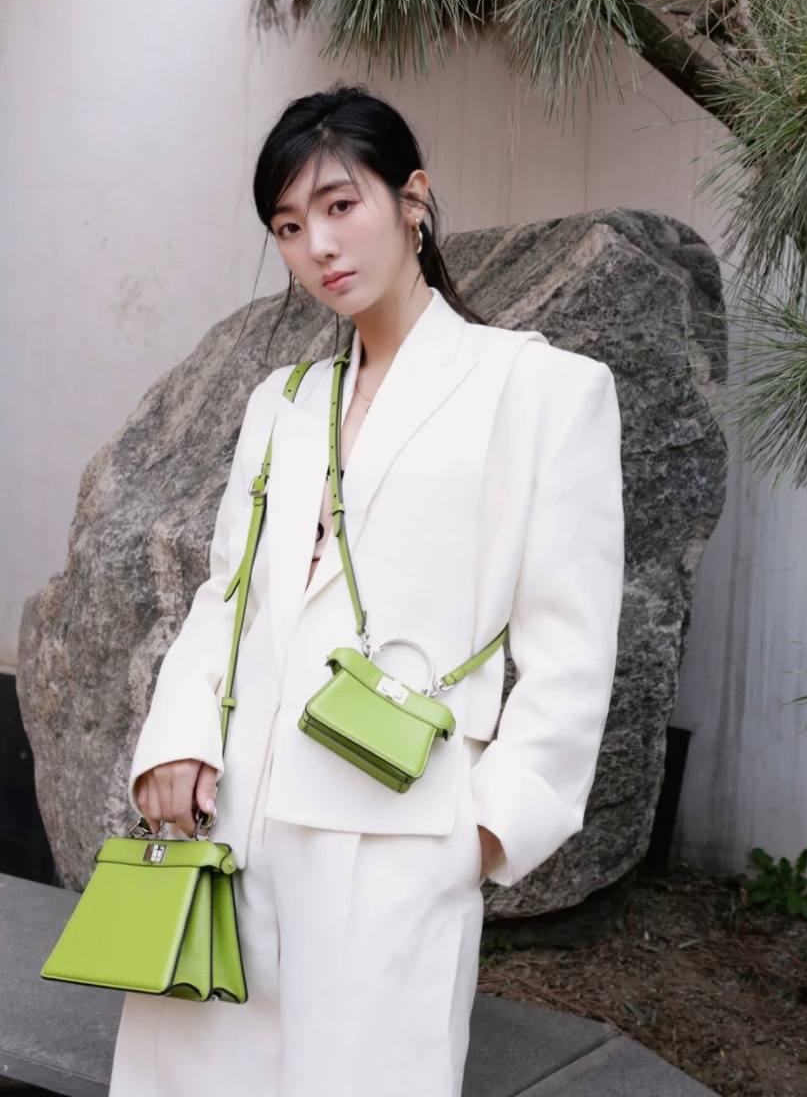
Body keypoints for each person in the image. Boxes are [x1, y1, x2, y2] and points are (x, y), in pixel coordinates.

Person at [108, 83, 625, 1097]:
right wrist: (175, 735)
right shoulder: (284, 402)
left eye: (340, 205)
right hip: (228, 824)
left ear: (412, 198)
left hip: (396, 835)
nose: (318, 247)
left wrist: (482, 834)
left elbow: (570, 647)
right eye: (288, 226)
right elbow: (229, 595)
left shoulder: (541, 390)